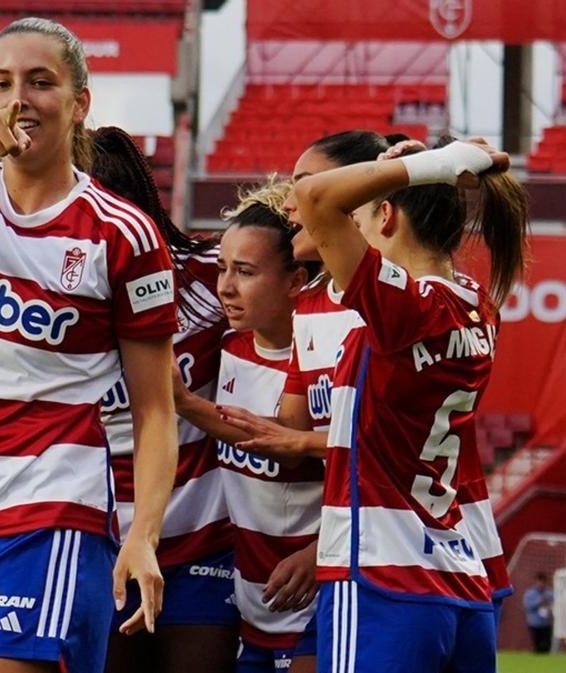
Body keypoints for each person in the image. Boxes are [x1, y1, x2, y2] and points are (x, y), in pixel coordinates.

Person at [0, 17, 180, 673]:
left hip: (51, 517)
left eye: (40, 82)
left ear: (80, 102)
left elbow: (155, 408)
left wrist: (144, 530)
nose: (19, 98)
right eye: (2, 83)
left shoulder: (123, 235)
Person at [292, 136, 529, 673]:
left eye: (362, 215)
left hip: (383, 579)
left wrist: (430, 165)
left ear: (386, 214)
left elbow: (315, 198)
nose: (350, 226)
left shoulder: (405, 308)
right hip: (458, 583)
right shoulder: (475, 303)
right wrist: (405, 169)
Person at [89, 126, 237, 673]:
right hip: (102, 543)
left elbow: (294, 255)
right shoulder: (52, 292)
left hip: (204, 541)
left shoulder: (209, 275)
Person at [207, 180, 323, 673]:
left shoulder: (325, 360)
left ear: (295, 281)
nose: (226, 287)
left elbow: (374, 465)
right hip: (252, 609)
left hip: (321, 602)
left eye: (246, 272)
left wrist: (320, 554)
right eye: (222, 269)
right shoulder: (228, 350)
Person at [524, 572, 554, 653]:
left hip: (547, 623)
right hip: (535, 622)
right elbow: (528, 606)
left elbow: (554, 605)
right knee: (537, 645)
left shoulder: (550, 593)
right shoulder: (530, 594)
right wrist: (540, 601)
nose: (541, 584)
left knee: (546, 645)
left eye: (543, 582)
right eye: (539, 581)